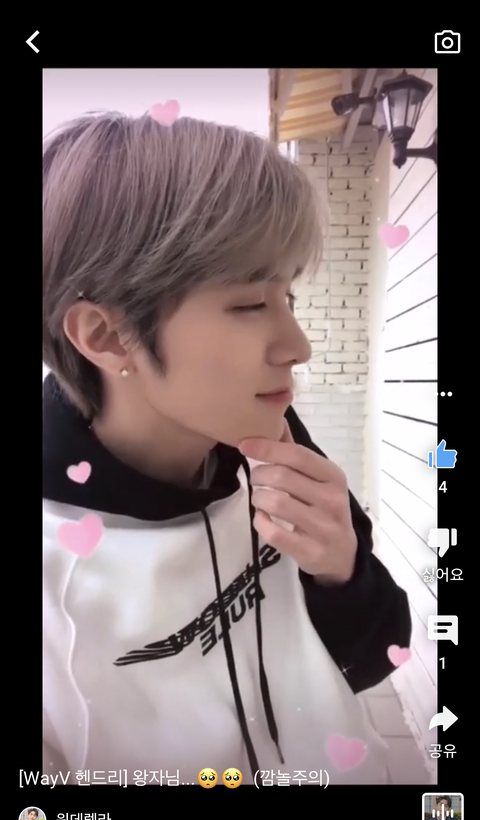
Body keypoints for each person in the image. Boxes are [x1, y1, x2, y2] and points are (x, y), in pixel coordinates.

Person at [42, 109, 412, 785]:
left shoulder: (268, 441)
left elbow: (372, 657)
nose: (297, 345)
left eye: (287, 295)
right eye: (249, 305)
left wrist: (342, 572)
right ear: (106, 335)